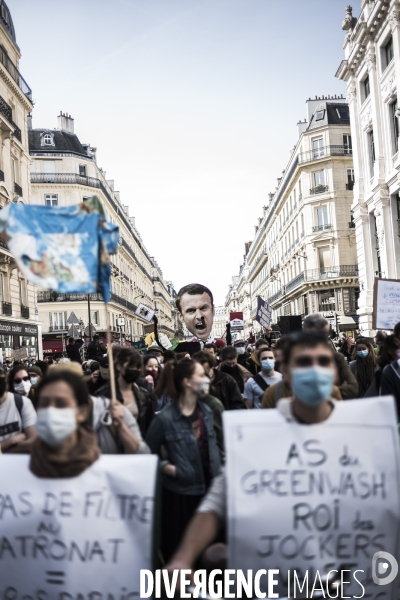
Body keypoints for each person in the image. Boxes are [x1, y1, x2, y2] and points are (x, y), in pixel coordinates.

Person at [165, 332, 340, 573]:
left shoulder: (361, 432)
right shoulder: (260, 435)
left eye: (323, 362)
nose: (314, 370)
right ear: (285, 372)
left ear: (335, 370)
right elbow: (219, 499)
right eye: (303, 363)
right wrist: (183, 559)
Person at [146, 358, 221, 562]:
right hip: (180, 497)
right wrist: (169, 468)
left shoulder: (205, 411)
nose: (206, 379)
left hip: (209, 491)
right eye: (201, 376)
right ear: (188, 382)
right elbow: (146, 456)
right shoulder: (165, 418)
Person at [30, 370, 101, 478]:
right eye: (44, 403)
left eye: (61, 404)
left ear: (82, 412)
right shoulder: (18, 463)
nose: (50, 411)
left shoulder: (103, 468)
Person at [95, 347, 154, 437]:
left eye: (138, 367)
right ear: (119, 366)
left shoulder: (144, 396)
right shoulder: (103, 395)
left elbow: (149, 426)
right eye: (131, 366)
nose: (135, 370)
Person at [303, 314, 358, 399]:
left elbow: (353, 389)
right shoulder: (297, 359)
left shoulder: (337, 358)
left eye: (324, 334)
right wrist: (337, 389)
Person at [0, 366, 37, 453]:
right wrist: (11, 441)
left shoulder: (22, 403)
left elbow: (34, 442)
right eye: (17, 380)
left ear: (5, 378)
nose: (23, 383)